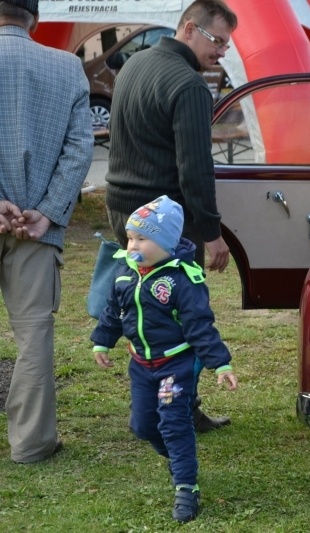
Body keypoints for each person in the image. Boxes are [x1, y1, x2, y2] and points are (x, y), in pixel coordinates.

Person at [104, 0, 237, 432]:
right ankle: (179, 410)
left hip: (123, 210)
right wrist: (211, 234)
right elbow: (195, 170)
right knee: (180, 315)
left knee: (141, 309)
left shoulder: (133, 66)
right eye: (217, 41)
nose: (222, 52)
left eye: (227, 45)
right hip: (165, 223)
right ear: (188, 29)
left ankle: (148, 405)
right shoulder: (189, 85)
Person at [90, 195, 238, 523]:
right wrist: (102, 341)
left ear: (166, 242)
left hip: (175, 365)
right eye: (130, 237)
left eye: (143, 238)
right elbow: (114, 312)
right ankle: (174, 458)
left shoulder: (182, 279)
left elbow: (200, 325)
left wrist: (220, 363)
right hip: (141, 365)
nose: (132, 245)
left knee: (173, 423)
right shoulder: (125, 274)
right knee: (142, 426)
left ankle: (187, 487)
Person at [0, 0, 94, 463]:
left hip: (25, 218)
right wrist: (47, 212)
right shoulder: (67, 66)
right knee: (33, 334)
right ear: (34, 16)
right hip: (37, 228)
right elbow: (80, 150)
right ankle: (32, 444)